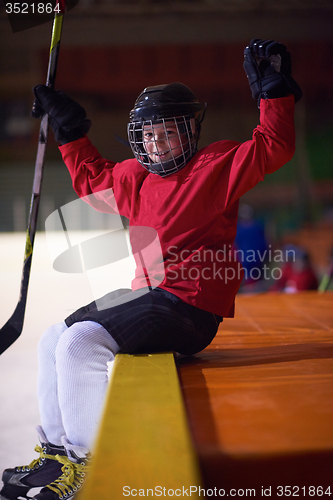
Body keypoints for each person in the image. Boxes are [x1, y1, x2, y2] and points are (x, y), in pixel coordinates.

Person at [1, 39, 302, 500]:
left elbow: (273, 146)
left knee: (80, 343)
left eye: (168, 132)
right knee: (51, 340)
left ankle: (88, 462)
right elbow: (93, 178)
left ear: (189, 132)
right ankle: (56, 456)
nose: (156, 143)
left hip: (190, 308)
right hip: (148, 297)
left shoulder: (214, 166)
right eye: (147, 134)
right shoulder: (135, 177)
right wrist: (70, 130)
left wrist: (274, 93)